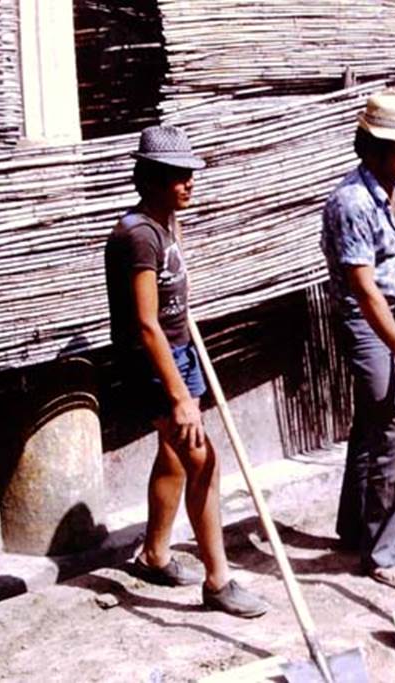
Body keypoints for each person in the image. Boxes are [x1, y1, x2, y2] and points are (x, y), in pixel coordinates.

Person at [104, 125, 268, 618]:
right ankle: (218, 582)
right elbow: (145, 324)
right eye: (178, 176)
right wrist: (178, 396)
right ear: (151, 179)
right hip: (157, 364)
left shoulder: (162, 225)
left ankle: (155, 555)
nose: (189, 183)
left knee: (174, 456)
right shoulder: (138, 236)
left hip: (179, 351)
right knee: (204, 462)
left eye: (189, 173)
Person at [319, 91, 395, 591]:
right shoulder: (351, 203)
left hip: (392, 312)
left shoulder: (392, 188)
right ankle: (384, 552)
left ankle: (353, 527)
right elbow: (364, 290)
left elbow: (388, 244)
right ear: (374, 148)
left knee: (371, 420)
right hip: (366, 320)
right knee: (394, 430)